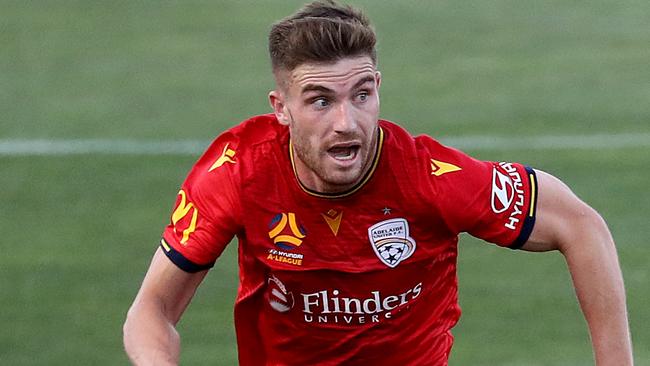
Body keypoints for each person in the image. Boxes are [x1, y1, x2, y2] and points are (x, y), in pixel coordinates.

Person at [122, 1, 634, 365]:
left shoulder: (432, 179)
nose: (347, 122)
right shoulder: (238, 172)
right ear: (282, 109)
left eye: (361, 94)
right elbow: (152, 310)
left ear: (378, 89)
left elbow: (580, 225)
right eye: (320, 100)